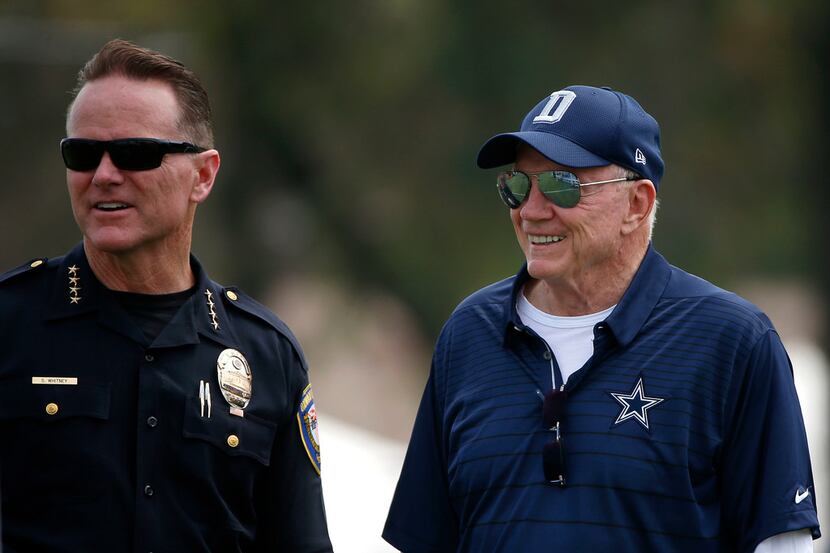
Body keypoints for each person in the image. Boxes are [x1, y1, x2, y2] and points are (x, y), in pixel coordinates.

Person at [383, 85, 821, 552]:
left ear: (637, 204)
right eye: (516, 186)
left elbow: (780, 545)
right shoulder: (468, 334)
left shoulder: (733, 343)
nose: (531, 212)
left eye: (560, 185)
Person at [0, 39, 333, 552]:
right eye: (83, 153)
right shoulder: (11, 322)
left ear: (202, 175)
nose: (104, 174)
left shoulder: (267, 357)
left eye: (136, 153)